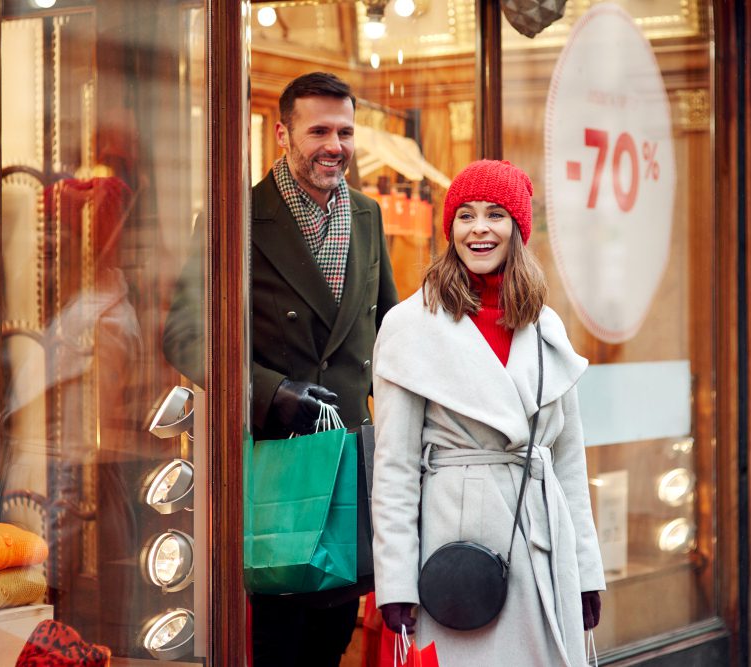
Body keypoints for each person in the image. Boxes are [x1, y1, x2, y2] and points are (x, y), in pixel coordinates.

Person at [163, 72, 398, 665]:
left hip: (346, 457)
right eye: (318, 130)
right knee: (277, 634)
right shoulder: (236, 216)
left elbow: (387, 330)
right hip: (273, 463)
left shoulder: (367, 216)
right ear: (281, 134)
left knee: (334, 632)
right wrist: (269, 391)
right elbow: (184, 333)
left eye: (345, 131)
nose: (335, 145)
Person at [370, 159, 604, 665]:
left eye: (495, 214)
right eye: (465, 215)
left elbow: (568, 463)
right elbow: (394, 468)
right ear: (449, 227)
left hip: (544, 539)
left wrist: (586, 572)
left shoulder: (547, 326)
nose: (479, 229)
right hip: (458, 551)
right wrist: (396, 582)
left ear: (517, 229)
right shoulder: (411, 325)